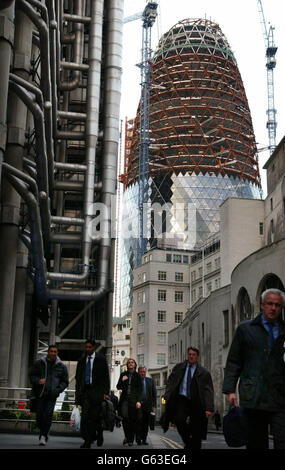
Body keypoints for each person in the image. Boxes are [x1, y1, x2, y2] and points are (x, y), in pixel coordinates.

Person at [222, 288, 285, 449]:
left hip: (280, 396)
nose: (273, 308)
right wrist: (230, 390)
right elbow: (234, 361)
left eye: (277, 305)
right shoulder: (245, 329)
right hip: (254, 396)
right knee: (256, 442)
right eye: (270, 304)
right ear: (262, 305)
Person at [163, 347, 214, 450]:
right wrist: (167, 394)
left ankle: (193, 445)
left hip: (196, 401)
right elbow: (170, 382)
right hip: (182, 399)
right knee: (179, 420)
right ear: (187, 355)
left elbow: (208, 391)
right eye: (189, 354)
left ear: (197, 357)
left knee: (196, 428)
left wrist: (209, 407)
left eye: (193, 355)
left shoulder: (204, 373)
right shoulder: (179, 368)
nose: (191, 356)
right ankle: (188, 442)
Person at [30, 344, 69, 446]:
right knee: (39, 417)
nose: (53, 353)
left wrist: (58, 390)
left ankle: (43, 436)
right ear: (48, 352)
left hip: (52, 395)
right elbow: (32, 375)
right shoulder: (39, 363)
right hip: (40, 394)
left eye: (55, 352)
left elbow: (65, 382)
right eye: (51, 351)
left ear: (57, 353)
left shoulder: (62, 366)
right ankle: (43, 431)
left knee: (48, 415)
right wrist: (38, 381)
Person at [75, 339, 110, 448]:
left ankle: (99, 433)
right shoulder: (81, 360)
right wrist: (77, 396)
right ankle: (87, 441)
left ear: (94, 347)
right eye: (86, 347)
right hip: (85, 391)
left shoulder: (101, 359)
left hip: (97, 392)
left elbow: (106, 377)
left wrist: (106, 392)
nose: (87, 349)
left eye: (90, 347)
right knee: (85, 417)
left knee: (95, 417)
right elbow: (78, 379)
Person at [117, 358, 142, 446]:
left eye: (132, 362)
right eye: (129, 363)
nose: (130, 364)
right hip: (124, 400)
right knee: (125, 417)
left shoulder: (138, 376)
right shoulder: (123, 374)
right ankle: (127, 436)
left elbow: (140, 389)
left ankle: (130, 439)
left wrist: (139, 401)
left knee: (132, 420)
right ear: (127, 365)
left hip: (134, 401)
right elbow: (118, 386)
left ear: (135, 365)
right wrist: (122, 380)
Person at [135, 366, 157, 445]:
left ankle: (144, 439)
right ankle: (138, 438)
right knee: (139, 421)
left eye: (144, 372)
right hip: (138, 404)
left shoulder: (150, 381)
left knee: (146, 423)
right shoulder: (136, 381)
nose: (143, 373)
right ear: (138, 372)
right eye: (141, 372)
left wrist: (153, 406)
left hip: (148, 405)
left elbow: (154, 394)